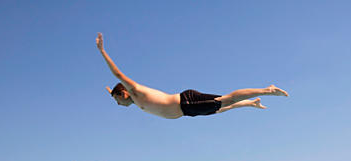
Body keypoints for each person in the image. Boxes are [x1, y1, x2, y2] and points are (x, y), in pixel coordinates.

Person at [96, 33, 288, 119]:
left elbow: (118, 74)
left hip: (185, 103)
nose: (119, 105)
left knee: (226, 100)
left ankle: (268, 89)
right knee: (219, 109)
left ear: (123, 94)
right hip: (186, 110)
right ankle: (251, 103)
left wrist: (103, 52)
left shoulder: (135, 92)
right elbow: (114, 88)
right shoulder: (133, 101)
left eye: (117, 101)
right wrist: (110, 91)